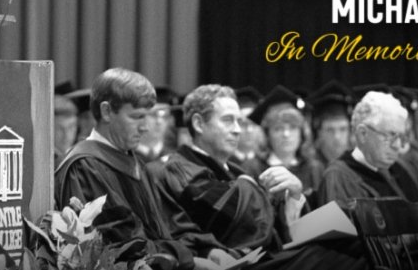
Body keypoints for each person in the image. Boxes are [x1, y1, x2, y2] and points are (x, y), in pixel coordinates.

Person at [148, 85, 366, 270]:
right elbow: (235, 215)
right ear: (198, 124)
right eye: (227, 120)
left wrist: (294, 194)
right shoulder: (178, 167)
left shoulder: (236, 171)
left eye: (239, 122)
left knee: (358, 246)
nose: (237, 130)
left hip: (256, 257)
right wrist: (258, 189)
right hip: (235, 262)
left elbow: (268, 219)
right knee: (342, 261)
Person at [54, 68, 226, 270]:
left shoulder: (135, 163)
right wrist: (190, 261)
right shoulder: (84, 166)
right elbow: (119, 244)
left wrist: (207, 250)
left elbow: (168, 224)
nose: (145, 127)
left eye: (147, 116)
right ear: (107, 111)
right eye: (137, 117)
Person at [317, 90, 418, 207]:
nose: (397, 145)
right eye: (389, 135)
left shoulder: (406, 171)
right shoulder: (338, 179)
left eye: (400, 136)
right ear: (363, 134)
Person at [248, 86, 324, 201]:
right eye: (278, 128)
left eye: (293, 127)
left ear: (302, 133)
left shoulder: (315, 169)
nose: (286, 134)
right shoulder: (253, 169)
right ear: (267, 135)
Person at [307, 80, 355, 169]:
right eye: (330, 130)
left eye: (343, 129)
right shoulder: (310, 168)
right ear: (319, 132)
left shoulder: (358, 165)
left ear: (350, 131)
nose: (337, 137)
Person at [137, 86, 180, 163]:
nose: (159, 121)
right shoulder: (126, 155)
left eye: (165, 116)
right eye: (153, 115)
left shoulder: (175, 159)